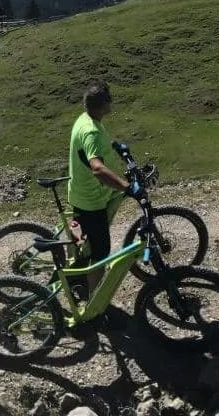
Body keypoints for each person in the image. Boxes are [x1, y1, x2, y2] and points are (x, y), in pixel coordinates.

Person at [67, 80, 139, 296]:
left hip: (80, 192)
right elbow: (97, 168)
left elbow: (95, 148)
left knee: (85, 242)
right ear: (103, 105)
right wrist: (126, 187)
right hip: (91, 201)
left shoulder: (86, 119)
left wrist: (114, 146)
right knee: (101, 254)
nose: (112, 104)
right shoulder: (92, 132)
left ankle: (76, 276)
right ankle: (91, 302)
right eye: (109, 100)